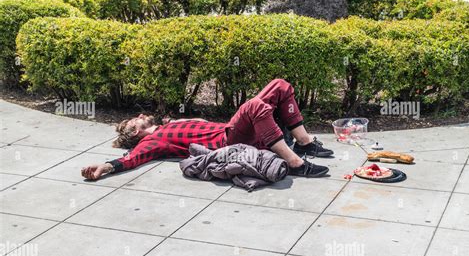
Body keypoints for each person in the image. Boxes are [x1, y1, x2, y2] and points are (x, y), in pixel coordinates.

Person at [81, 79, 334, 180]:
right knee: (254, 105)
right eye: (133, 122)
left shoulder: (168, 125)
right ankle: (295, 163)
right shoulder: (152, 142)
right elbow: (132, 159)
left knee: (280, 85)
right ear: (135, 133)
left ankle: (304, 142)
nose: (139, 116)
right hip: (228, 141)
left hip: (234, 131)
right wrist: (105, 167)